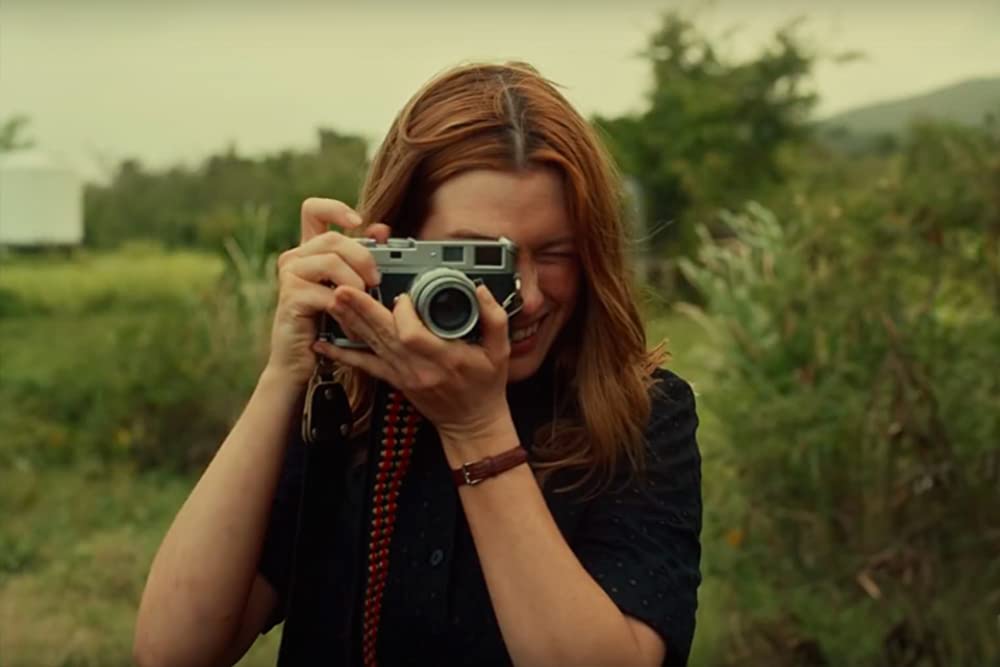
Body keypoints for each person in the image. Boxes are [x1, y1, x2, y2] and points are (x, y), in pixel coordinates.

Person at [134, 61, 702, 667]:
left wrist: (477, 432)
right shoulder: (345, 408)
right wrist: (286, 375)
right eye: (484, 259)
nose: (526, 297)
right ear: (394, 248)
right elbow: (174, 651)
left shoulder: (641, 414)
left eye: (556, 253)